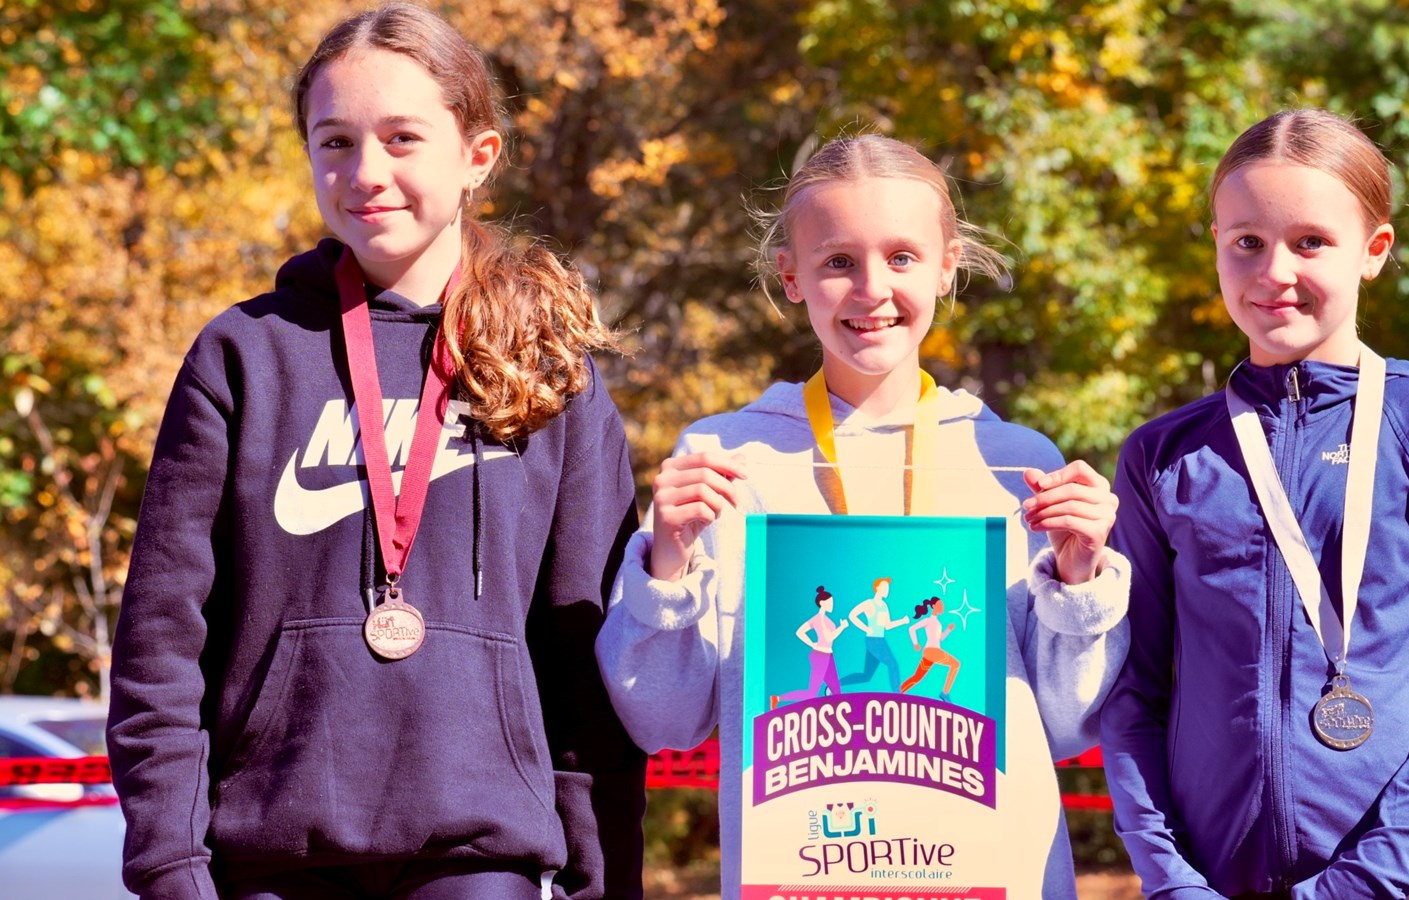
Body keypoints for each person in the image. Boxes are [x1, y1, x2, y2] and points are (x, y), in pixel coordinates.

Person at [106, 5, 644, 898]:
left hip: (483, 856)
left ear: (477, 156)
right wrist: (171, 869)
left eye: (402, 138)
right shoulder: (244, 355)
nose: (366, 173)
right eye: (336, 142)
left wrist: (604, 881)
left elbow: (587, 657)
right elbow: (161, 644)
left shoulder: (549, 371)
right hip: (273, 854)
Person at [596, 133, 1131, 898]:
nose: (872, 288)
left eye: (902, 257)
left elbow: (1069, 724)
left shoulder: (1012, 462)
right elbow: (664, 723)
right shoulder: (725, 460)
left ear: (947, 267)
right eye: (838, 261)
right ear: (791, 276)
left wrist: (1079, 582)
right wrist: (668, 567)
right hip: (808, 875)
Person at [1100, 108, 1409, 899]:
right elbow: (1134, 692)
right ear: (1217, 246)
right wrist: (1170, 879)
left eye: (1310, 242)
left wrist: (1359, 884)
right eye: (1247, 242)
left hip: (1397, 886)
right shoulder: (1162, 456)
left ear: (1374, 251)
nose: (1274, 272)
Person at [769, 585, 851, 708]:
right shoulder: (819, 619)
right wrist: (841, 627)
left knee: (836, 690)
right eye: (830, 602)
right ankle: (778, 698)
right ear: (822, 603)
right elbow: (806, 633)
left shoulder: (826, 619)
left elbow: (802, 633)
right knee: (812, 693)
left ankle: (830, 708)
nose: (832, 605)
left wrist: (813, 643)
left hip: (828, 655)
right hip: (820, 656)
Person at [839, 576, 908, 690]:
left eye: (888, 587)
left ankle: (836, 684)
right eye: (885, 587)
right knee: (893, 664)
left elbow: (887, 625)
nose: (887, 590)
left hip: (881, 640)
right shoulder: (869, 603)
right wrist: (866, 628)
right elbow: (852, 615)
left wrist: (902, 621)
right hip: (873, 641)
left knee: (866, 676)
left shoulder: (884, 606)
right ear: (877, 588)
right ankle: (897, 694)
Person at [899, 596, 960, 700]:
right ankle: (945, 693)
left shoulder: (939, 623)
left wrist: (948, 630)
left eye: (942, 605)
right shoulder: (928, 620)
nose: (942, 607)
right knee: (956, 664)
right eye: (940, 605)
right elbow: (912, 629)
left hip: (931, 653)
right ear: (933, 606)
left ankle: (898, 692)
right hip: (933, 651)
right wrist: (915, 643)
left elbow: (940, 638)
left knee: (917, 677)